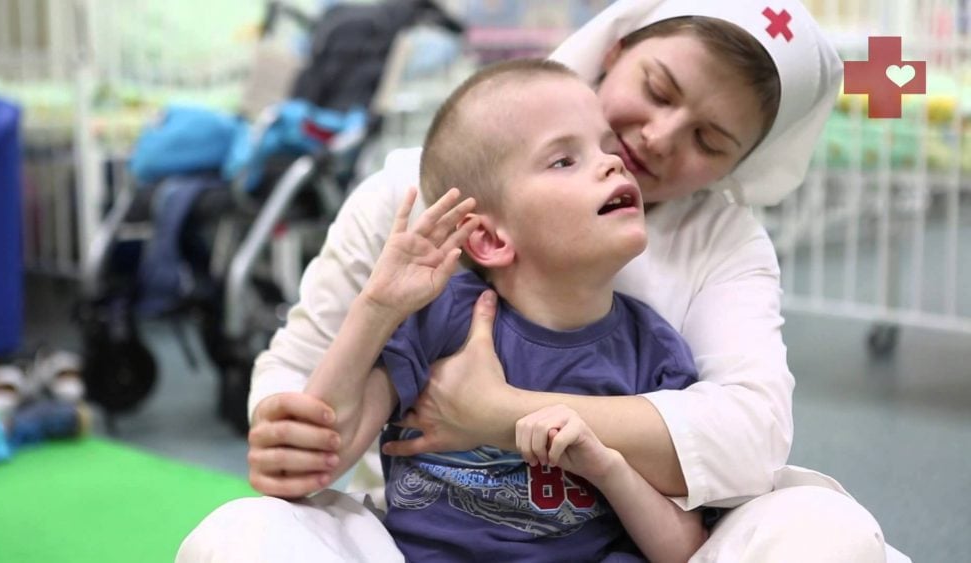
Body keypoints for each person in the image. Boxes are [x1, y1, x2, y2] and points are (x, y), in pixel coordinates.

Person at [181, 1, 909, 561]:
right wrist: (287, 424)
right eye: (656, 89)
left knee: (831, 532)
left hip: (611, 539)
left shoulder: (711, 257)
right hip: (427, 537)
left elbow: (750, 435)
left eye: (709, 140)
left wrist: (495, 410)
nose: (653, 139)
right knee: (242, 533)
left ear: (735, 166)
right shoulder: (423, 195)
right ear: (616, 50)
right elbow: (311, 378)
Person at [300, 58, 707, 562]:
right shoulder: (440, 319)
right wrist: (377, 308)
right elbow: (318, 457)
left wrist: (609, 467)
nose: (614, 163)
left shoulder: (655, 351)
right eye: (564, 160)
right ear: (490, 239)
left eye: (606, 147)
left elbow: (685, 549)